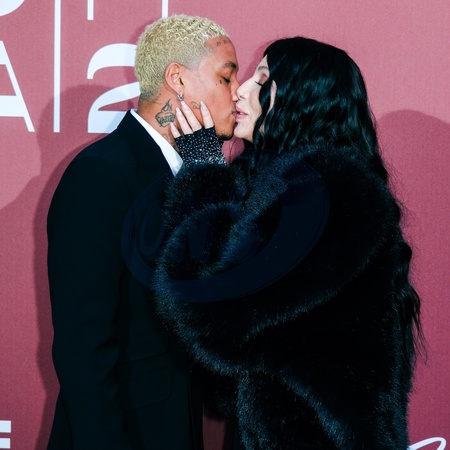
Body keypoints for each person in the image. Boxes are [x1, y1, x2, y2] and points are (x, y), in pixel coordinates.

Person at [150, 37, 423, 449]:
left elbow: (211, 316)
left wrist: (203, 172)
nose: (241, 90)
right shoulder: (296, 188)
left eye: (262, 80)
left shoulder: (328, 195)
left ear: (301, 99)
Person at [46, 14, 239, 449]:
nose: (237, 95)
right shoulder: (101, 176)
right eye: (226, 78)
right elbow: (83, 347)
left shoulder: (190, 173)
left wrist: (209, 181)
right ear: (178, 79)